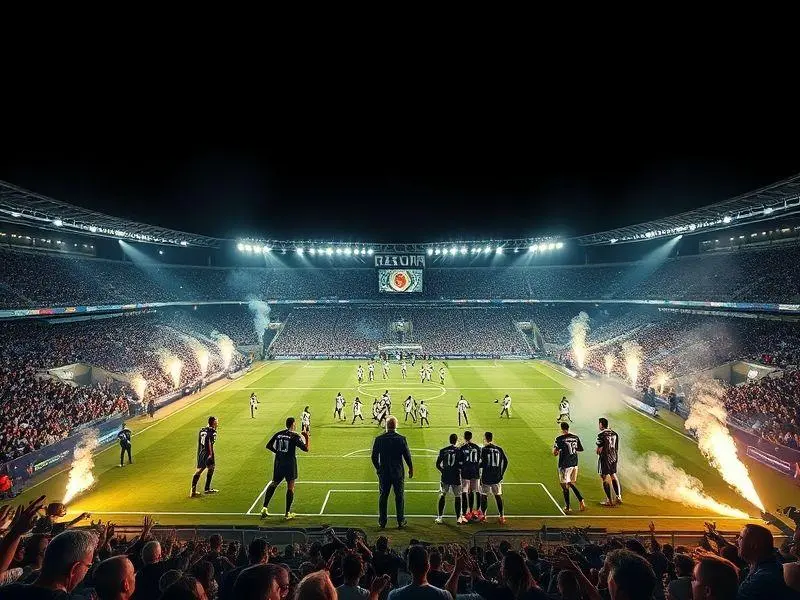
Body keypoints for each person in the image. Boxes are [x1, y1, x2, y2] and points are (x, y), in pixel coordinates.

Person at [0, 529, 98, 599]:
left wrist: (16, 532)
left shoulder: (8, 591)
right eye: (88, 566)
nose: (87, 570)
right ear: (74, 569)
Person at [261, 416, 310, 520]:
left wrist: (278, 453)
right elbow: (306, 449)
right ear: (292, 424)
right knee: (290, 487)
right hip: (289, 463)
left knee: (274, 483)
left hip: (278, 463)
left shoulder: (278, 434)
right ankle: (287, 513)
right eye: (295, 423)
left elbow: (268, 445)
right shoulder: (294, 436)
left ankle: (264, 508)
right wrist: (306, 437)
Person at [371, 416, 413, 529]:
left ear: (386, 425)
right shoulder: (401, 439)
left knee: (383, 496)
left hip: (384, 473)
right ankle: (400, 520)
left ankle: (382, 522)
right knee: (399, 497)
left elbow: (374, 457)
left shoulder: (379, 439)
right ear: (396, 426)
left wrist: (378, 469)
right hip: (398, 473)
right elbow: (407, 455)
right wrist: (411, 468)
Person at [737, 523, 794, 599]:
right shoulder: (772, 565)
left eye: (741, 538)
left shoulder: (761, 580)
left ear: (754, 545)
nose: (737, 540)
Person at [552, 422, 585, 513]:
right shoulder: (575, 437)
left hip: (565, 465)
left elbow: (555, 453)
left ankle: (571, 505)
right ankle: (576, 503)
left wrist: (557, 450)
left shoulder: (559, 439)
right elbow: (580, 449)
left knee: (565, 484)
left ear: (561, 429)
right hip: (574, 463)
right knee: (569, 483)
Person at [478, 431, 508, 523]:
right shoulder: (499, 449)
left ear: (485, 438)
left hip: (486, 476)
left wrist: (477, 467)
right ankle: (502, 516)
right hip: (497, 477)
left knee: (484, 496)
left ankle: (483, 516)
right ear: (492, 438)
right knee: (498, 496)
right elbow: (506, 462)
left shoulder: (484, 450)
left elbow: (482, 463)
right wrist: (501, 473)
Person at [435, 433, 463, 523]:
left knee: (443, 494)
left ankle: (440, 517)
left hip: (446, 476)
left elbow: (437, 464)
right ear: (456, 440)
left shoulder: (443, 450)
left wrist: (443, 471)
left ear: (449, 440)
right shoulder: (459, 451)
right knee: (457, 496)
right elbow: (462, 465)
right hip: (455, 476)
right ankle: (458, 518)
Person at [191, 416, 219, 497]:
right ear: (213, 423)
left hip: (201, 452)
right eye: (216, 421)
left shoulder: (202, 430)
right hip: (208, 453)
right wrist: (210, 454)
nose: (217, 423)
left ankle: (193, 491)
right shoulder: (213, 432)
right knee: (212, 467)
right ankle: (207, 489)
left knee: (199, 470)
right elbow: (210, 443)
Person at [596, 417, 621, 506]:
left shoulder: (601, 435)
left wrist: (598, 451)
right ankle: (618, 497)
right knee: (613, 475)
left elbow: (599, 450)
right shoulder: (615, 433)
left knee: (604, 476)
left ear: (601, 424)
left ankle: (609, 500)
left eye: (599, 423)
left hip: (605, 458)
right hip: (614, 457)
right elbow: (616, 447)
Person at [460, 430, 482, 521]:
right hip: (475, 471)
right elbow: (480, 459)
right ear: (471, 437)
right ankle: (475, 511)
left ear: (465, 437)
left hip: (465, 472)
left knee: (465, 492)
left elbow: (460, 461)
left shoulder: (462, 447)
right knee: (474, 491)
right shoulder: (477, 447)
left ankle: (466, 513)